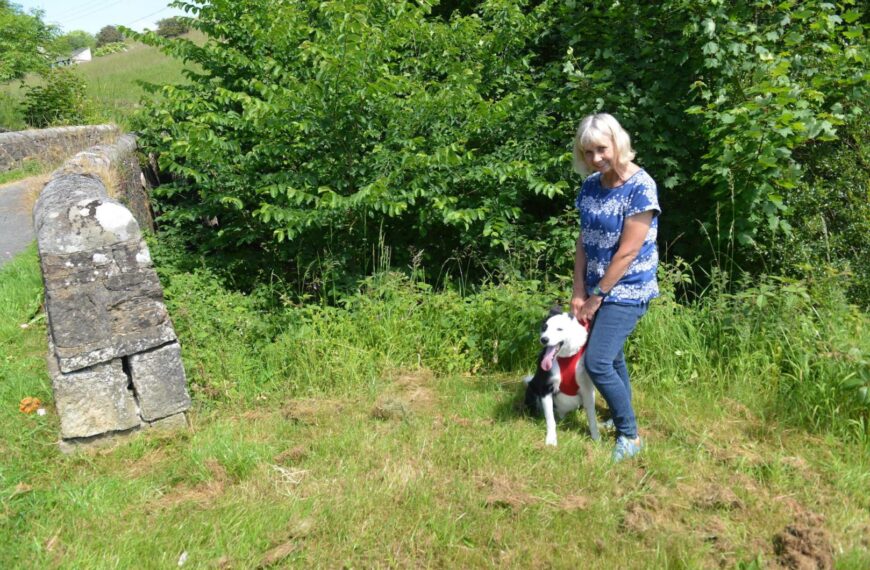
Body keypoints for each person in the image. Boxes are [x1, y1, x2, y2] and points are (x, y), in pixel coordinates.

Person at [570, 113, 661, 462]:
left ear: (618, 144)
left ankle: (630, 436)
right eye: (588, 152)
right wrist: (579, 289)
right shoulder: (592, 185)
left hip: (628, 289)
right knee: (614, 358)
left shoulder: (641, 186)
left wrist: (596, 298)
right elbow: (583, 240)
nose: (595, 159)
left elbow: (628, 253)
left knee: (597, 362)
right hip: (594, 287)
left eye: (601, 149)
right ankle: (623, 419)